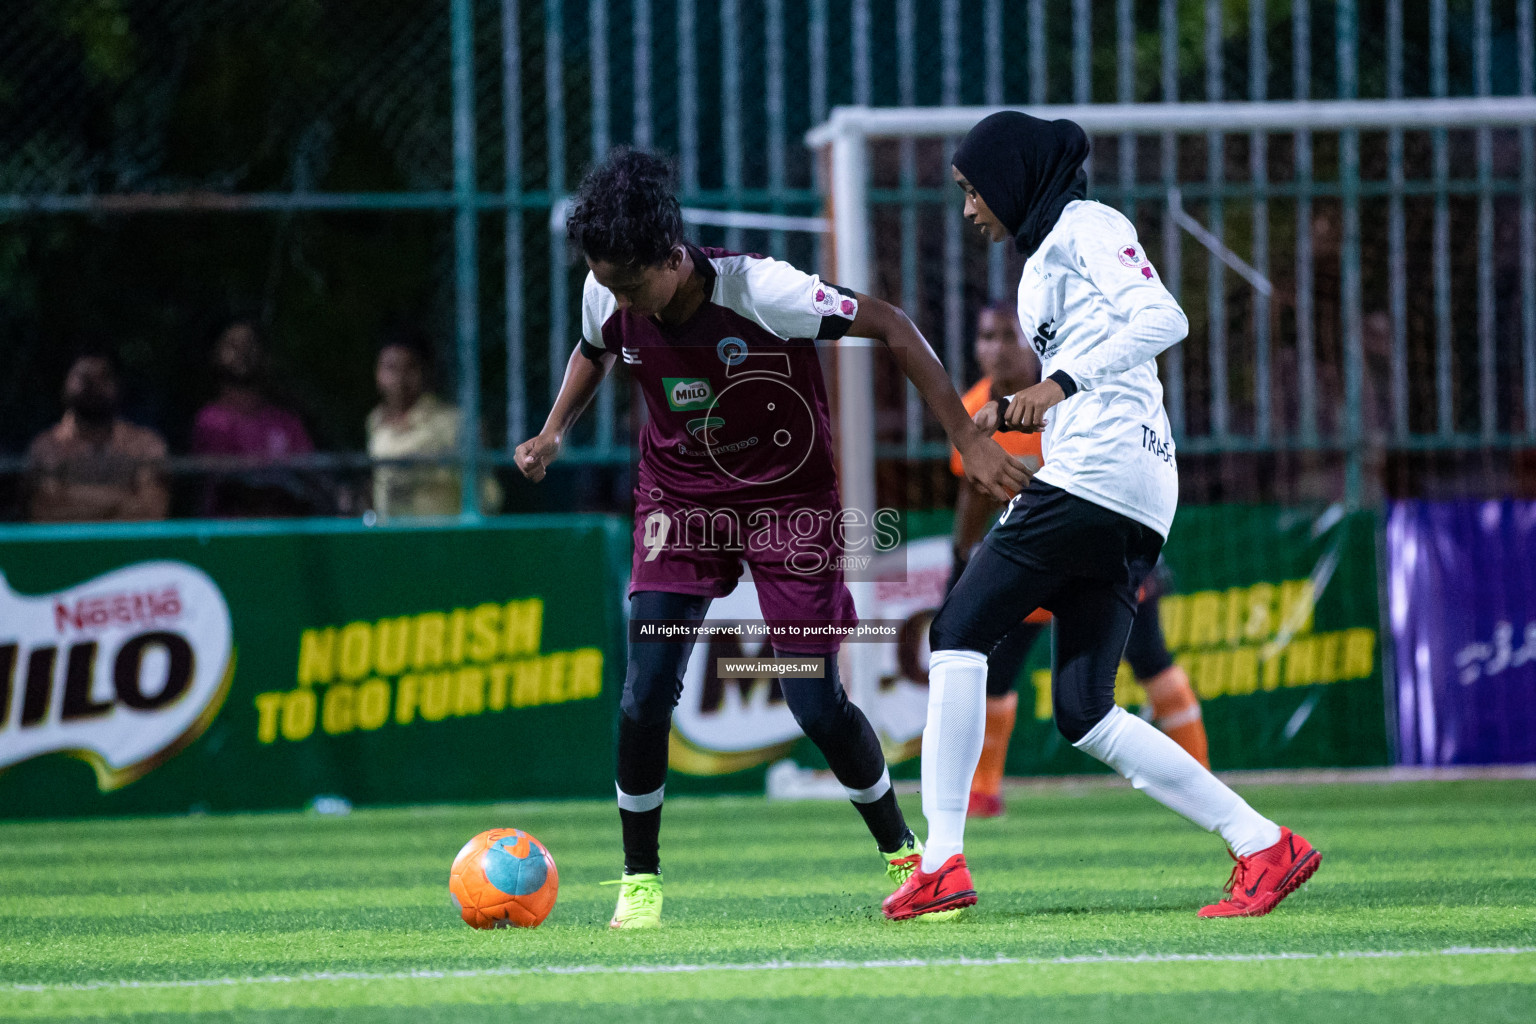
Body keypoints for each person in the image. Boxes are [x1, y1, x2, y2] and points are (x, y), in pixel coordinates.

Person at [515, 148, 1025, 929]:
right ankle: (640, 879)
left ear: (672, 254)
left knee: (812, 702)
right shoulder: (605, 288)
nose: (618, 297)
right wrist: (553, 431)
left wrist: (967, 434)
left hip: (790, 511)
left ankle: (902, 853)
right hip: (679, 509)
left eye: (629, 282)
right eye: (607, 282)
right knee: (645, 694)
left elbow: (890, 325)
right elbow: (594, 351)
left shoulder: (764, 292)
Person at [885, 112, 1318, 922]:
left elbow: (1165, 319)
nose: (971, 209)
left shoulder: (1089, 226)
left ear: (1012, 179)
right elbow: (1100, 366)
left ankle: (941, 860)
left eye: (974, 191)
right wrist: (1028, 415)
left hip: (1102, 476)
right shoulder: (1042, 258)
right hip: (1132, 485)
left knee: (957, 633)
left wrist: (1058, 388)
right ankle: (1264, 845)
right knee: (1085, 710)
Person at [947, 303, 1210, 820]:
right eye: (986, 336)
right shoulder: (977, 407)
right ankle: (982, 794)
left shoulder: (1072, 394)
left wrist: (1147, 561)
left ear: (1034, 343)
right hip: (1028, 556)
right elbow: (974, 494)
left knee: (1150, 661)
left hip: (1097, 555)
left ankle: (1199, 778)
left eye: (1008, 336)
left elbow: (1128, 477)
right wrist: (963, 557)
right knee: (993, 670)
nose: (996, 348)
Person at [192, 320, 321, 517]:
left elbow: (312, 478)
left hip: (286, 535)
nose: (242, 353)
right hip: (228, 537)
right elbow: (225, 487)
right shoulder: (209, 422)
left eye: (249, 345)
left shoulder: (287, 421)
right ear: (215, 354)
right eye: (232, 346)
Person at [367, 333, 501, 519]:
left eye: (410, 367)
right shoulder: (375, 421)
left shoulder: (457, 422)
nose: (400, 378)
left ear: (426, 371)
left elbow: (487, 494)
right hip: (390, 541)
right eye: (391, 368)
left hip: (442, 540)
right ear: (377, 373)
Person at [25, 352, 169, 522]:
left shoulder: (147, 444)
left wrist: (69, 496)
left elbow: (151, 511)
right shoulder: (45, 446)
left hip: (128, 547)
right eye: (84, 378)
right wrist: (122, 498)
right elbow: (45, 512)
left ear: (118, 384)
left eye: (103, 377)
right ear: (64, 383)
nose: (94, 386)